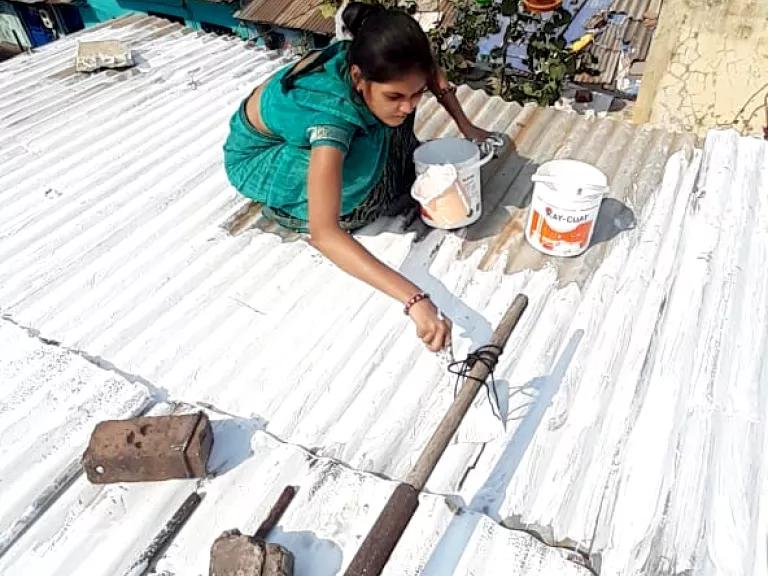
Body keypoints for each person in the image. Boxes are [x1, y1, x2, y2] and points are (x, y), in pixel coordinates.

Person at [223, 2, 495, 352]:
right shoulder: (331, 118)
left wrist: (467, 126)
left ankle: (378, 158)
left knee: (391, 122)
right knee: (363, 169)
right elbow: (325, 234)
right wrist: (415, 300)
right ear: (356, 78)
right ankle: (290, 209)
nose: (410, 105)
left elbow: (432, 75)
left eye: (416, 95)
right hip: (260, 158)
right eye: (395, 95)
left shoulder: (387, 59)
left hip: (322, 127)